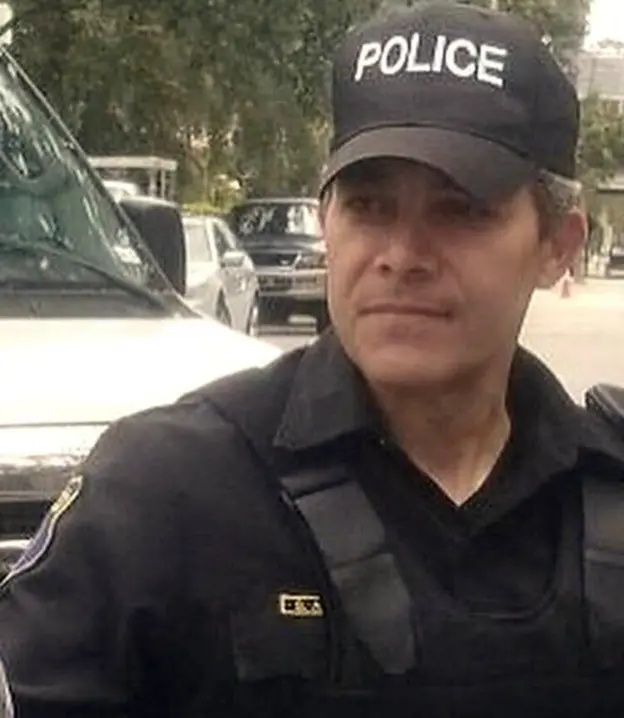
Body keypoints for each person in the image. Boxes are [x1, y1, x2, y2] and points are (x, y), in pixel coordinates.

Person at [1, 2, 624, 717]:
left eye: (460, 211)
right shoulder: (165, 492)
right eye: (369, 206)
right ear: (327, 221)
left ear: (558, 244)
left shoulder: (607, 487)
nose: (402, 255)